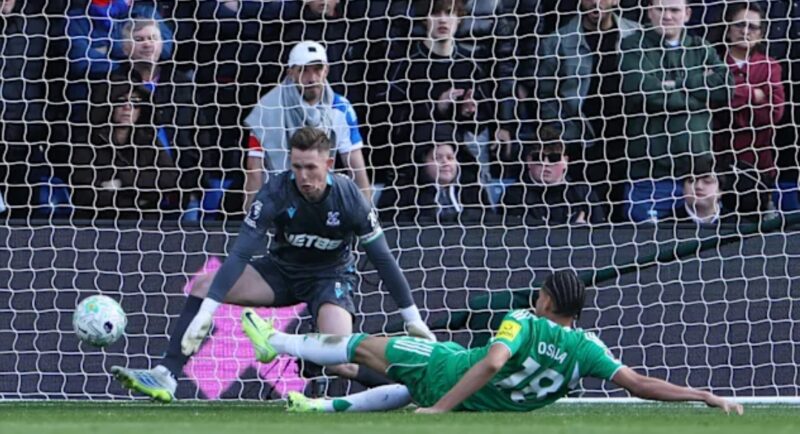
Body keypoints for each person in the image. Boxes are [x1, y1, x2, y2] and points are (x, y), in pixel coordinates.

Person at [111, 127, 434, 402]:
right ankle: (167, 373)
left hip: (330, 277)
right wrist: (208, 312)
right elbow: (240, 254)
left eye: (311, 167)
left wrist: (412, 318)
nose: (303, 177)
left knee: (341, 362)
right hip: (281, 273)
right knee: (203, 286)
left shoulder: (349, 197)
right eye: (297, 167)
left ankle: (415, 389)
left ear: (329, 163)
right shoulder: (277, 191)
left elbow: (382, 258)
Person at [239, 270, 744, 415]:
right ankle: (321, 409)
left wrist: (441, 410)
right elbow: (638, 384)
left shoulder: (524, 320)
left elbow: (491, 362)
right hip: (478, 405)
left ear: (546, 301)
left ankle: (275, 342)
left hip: (451, 373)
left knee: (366, 346)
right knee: (408, 386)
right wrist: (703, 394)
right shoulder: (587, 347)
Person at [620, 0, 731, 223]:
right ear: (649, 11)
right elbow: (644, 93)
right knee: (648, 248)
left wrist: (673, 84)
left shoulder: (701, 47)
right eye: (660, 9)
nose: (667, 16)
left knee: (704, 252)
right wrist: (698, 89)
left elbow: (724, 88)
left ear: (687, 14)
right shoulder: (632, 46)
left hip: (698, 178)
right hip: (650, 178)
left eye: (674, 10)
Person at [244, 41, 372, 209]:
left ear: (326, 70)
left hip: (322, 198)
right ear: (291, 73)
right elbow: (254, 168)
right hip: (277, 200)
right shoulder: (267, 109)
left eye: (317, 69)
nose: (311, 78)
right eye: (303, 70)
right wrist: (252, 219)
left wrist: (368, 215)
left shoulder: (341, 108)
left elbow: (356, 165)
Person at [714, 1, 785, 216]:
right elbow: (710, 103)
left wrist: (731, 97)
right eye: (739, 25)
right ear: (728, 29)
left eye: (752, 27)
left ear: (761, 34)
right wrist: (753, 94)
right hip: (716, 167)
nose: (745, 31)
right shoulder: (712, 61)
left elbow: (774, 113)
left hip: (758, 169)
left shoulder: (770, 66)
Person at [378, 124, 493, 225]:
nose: (445, 163)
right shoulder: (401, 192)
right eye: (437, 158)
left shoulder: (472, 189)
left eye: (450, 157)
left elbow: (491, 224)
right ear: (422, 163)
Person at [502, 133, 605, 226]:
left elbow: (601, 232)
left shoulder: (583, 193)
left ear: (565, 161)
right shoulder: (515, 194)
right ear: (529, 161)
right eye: (539, 158)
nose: (546, 164)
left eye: (554, 158)